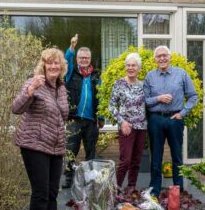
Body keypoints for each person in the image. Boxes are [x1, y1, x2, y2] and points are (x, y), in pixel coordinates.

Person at [12, 48, 71, 210]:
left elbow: (62, 115)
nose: (53, 66)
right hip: (34, 144)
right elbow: (16, 108)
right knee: (41, 192)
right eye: (49, 63)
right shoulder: (34, 82)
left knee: (53, 191)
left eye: (57, 63)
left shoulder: (61, 87)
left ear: (61, 66)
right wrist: (29, 92)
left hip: (56, 146)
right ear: (43, 65)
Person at [143, 45, 198, 197]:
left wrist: (183, 113)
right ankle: (154, 191)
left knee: (177, 156)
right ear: (155, 59)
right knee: (156, 157)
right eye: (158, 56)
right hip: (156, 119)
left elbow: (193, 96)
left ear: (170, 57)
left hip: (175, 119)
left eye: (164, 55)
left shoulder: (181, 74)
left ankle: (178, 190)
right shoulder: (149, 76)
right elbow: (145, 101)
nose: (162, 58)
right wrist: (158, 98)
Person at [63, 34, 104, 189]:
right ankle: (68, 179)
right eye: (81, 58)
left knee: (90, 152)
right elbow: (67, 60)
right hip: (74, 119)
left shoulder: (96, 75)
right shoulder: (71, 73)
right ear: (77, 59)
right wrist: (72, 47)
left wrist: (100, 117)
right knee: (70, 152)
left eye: (86, 58)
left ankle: (89, 179)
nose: (84, 60)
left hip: (91, 121)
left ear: (90, 58)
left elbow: (100, 97)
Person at [109, 52, 147, 189]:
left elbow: (149, 103)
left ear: (139, 68)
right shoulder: (118, 84)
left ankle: (131, 188)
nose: (130, 68)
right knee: (125, 160)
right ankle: (116, 189)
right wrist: (122, 122)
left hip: (141, 127)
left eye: (134, 65)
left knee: (136, 160)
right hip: (126, 127)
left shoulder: (143, 85)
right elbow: (112, 106)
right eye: (128, 65)